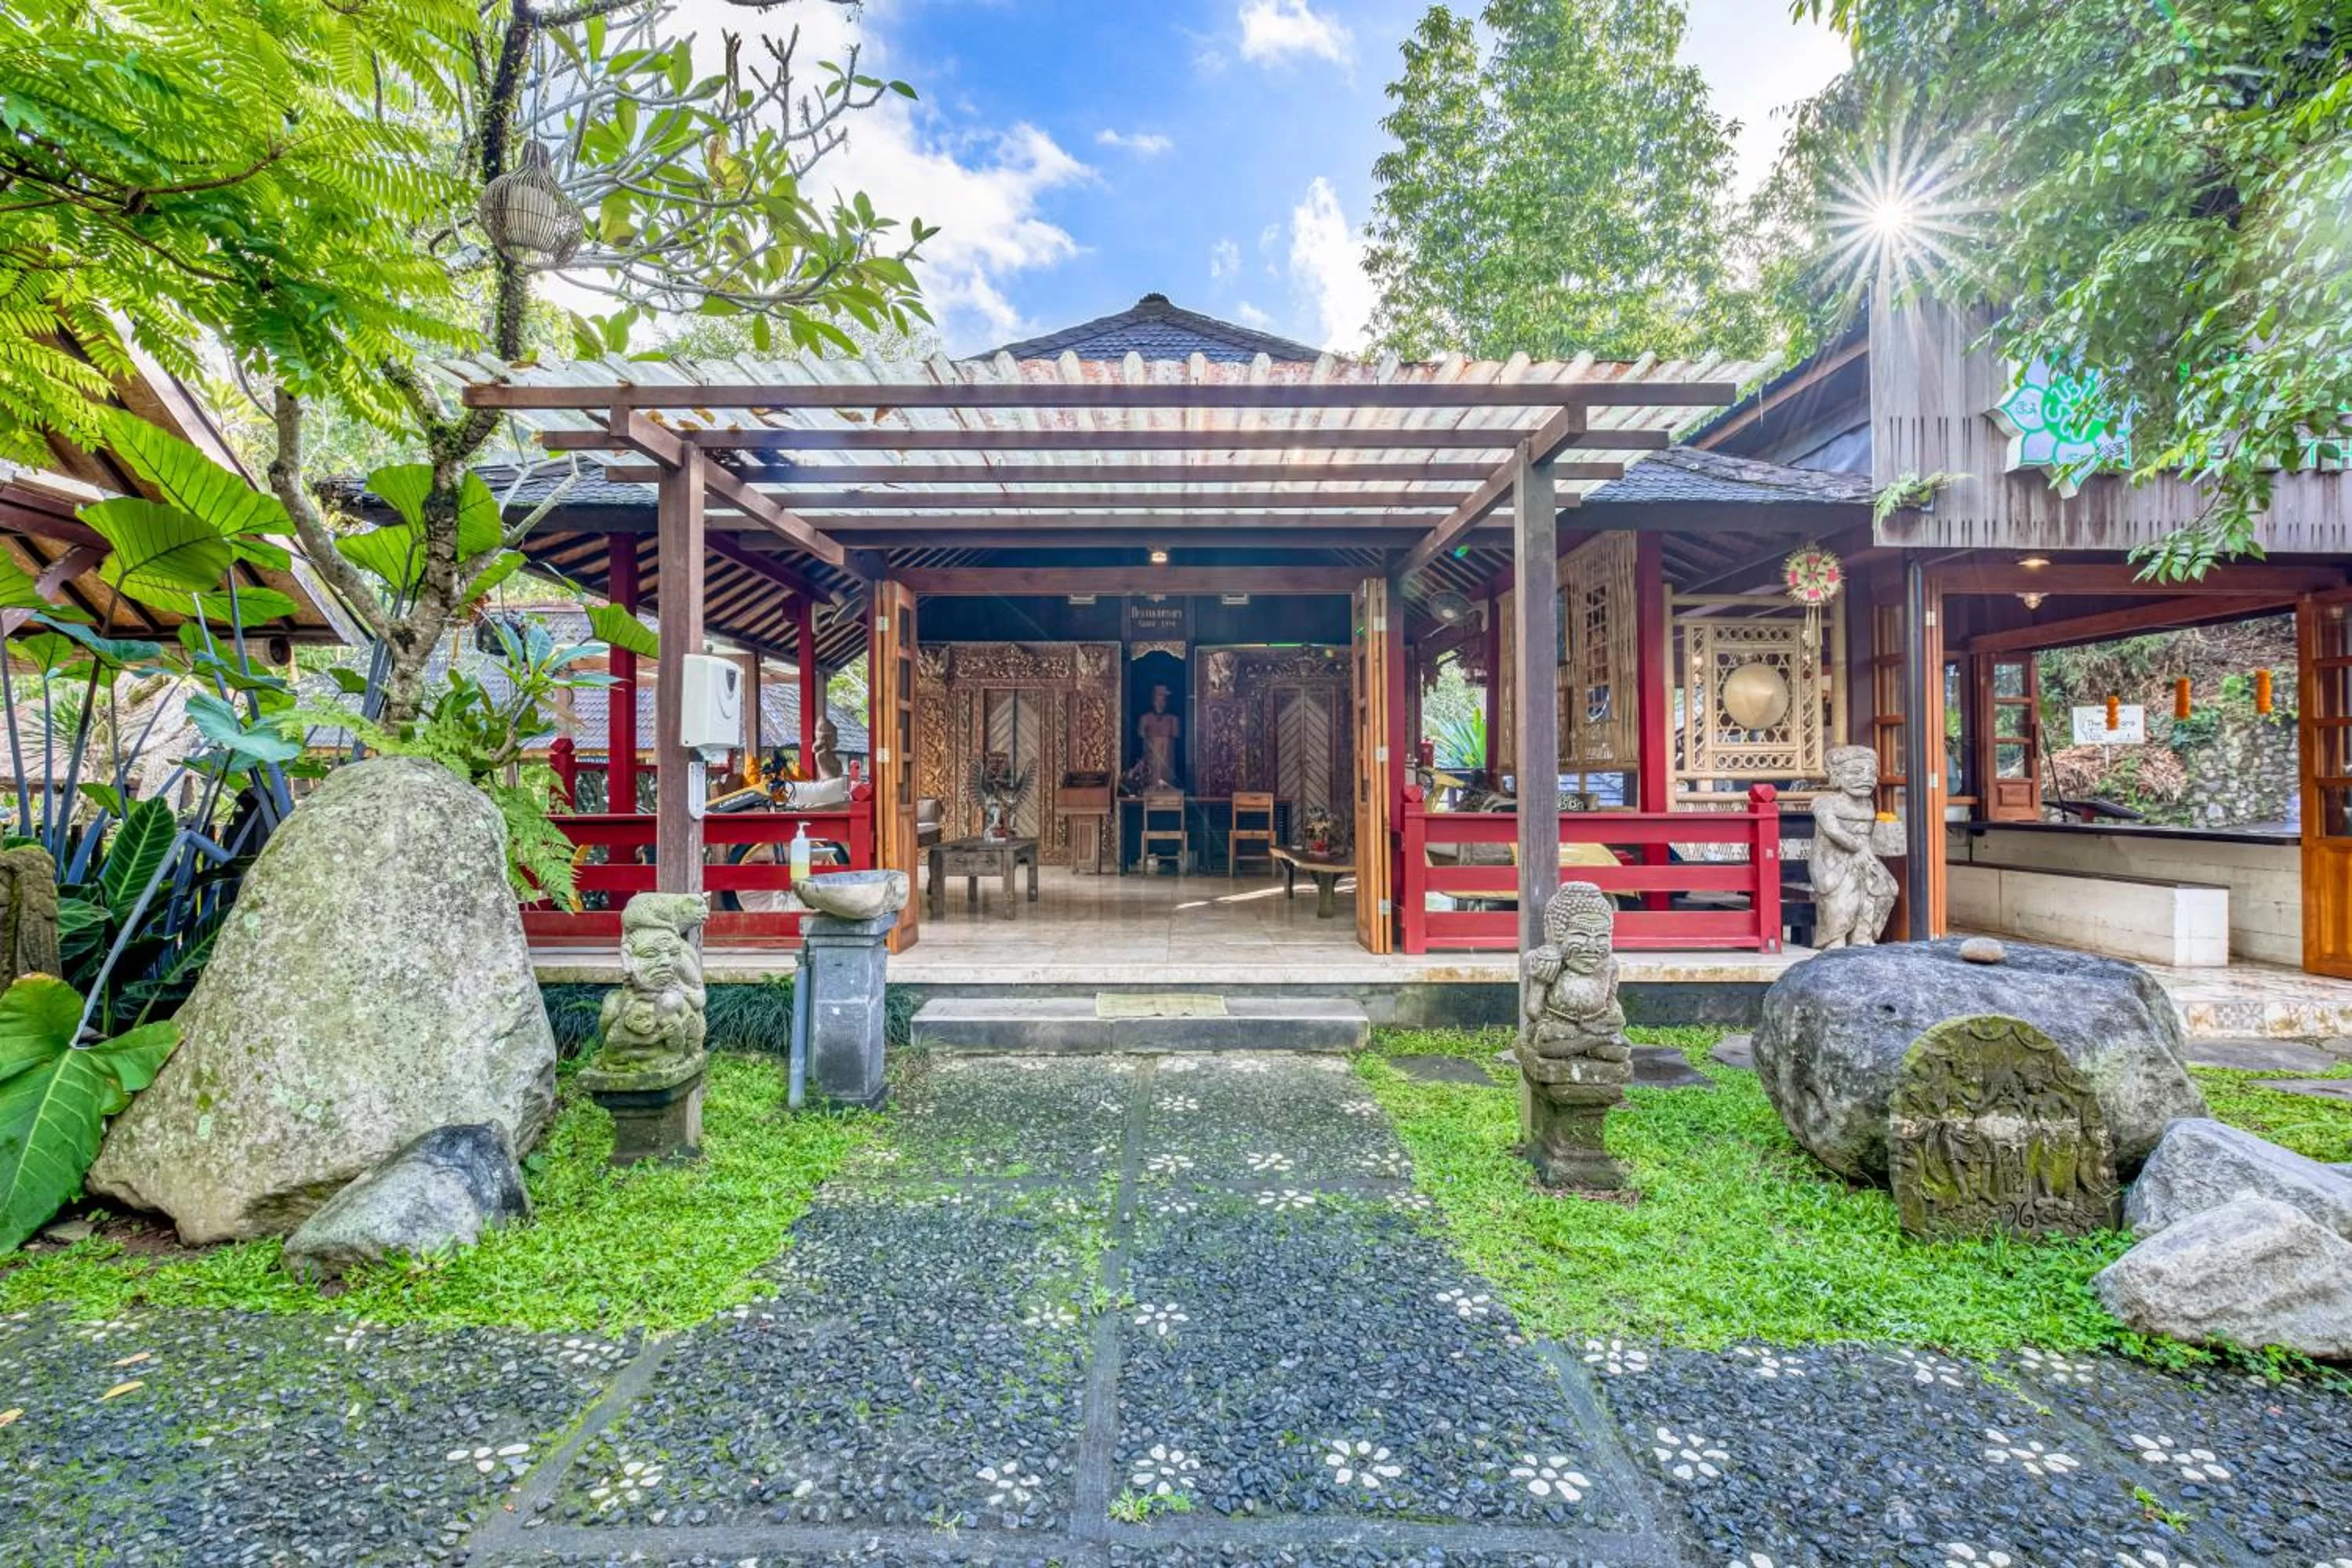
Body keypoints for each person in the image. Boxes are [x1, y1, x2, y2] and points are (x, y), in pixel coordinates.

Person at [1137, 684, 1180, 788]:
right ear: (1153, 701)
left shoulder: (1173, 720)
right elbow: (1142, 737)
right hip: (1151, 764)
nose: (1160, 704)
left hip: (1168, 764)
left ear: (1167, 702)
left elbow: (1175, 737)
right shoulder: (1145, 718)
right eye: (1157, 700)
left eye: (1163, 701)